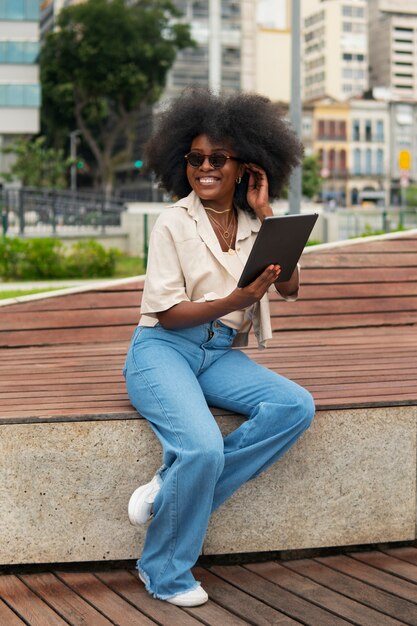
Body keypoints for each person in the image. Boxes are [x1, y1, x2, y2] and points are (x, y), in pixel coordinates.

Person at [123, 89, 315, 607]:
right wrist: (235, 298)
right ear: (180, 162)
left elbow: (291, 287)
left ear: (245, 166)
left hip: (219, 353)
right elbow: (166, 313)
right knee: (202, 448)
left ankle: (169, 487)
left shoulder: (256, 223)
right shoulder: (173, 222)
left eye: (218, 159)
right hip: (162, 350)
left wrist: (267, 209)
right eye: (195, 158)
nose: (204, 168)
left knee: (294, 406)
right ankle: (163, 570)